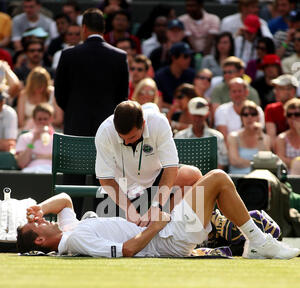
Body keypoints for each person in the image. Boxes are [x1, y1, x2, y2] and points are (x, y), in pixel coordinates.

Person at [17, 180, 300, 260]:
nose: (44, 219)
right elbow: (126, 251)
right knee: (216, 180)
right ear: (41, 240)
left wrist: (39, 208)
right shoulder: (76, 239)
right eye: (38, 224)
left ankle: (255, 242)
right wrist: (155, 226)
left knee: (195, 178)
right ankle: (260, 242)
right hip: (168, 238)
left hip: (166, 231)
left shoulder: (69, 231)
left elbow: (65, 199)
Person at [95, 100, 202, 227]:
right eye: (122, 137)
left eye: (131, 137)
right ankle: (157, 227)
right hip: (123, 189)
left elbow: (171, 168)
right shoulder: (105, 131)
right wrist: (129, 210)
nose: (126, 142)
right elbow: (106, 179)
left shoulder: (159, 122)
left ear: (144, 124)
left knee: (192, 175)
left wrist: (157, 206)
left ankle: (170, 227)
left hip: (155, 181)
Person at [55, 8, 129, 136]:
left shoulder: (68, 54)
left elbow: (60, 93)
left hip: (76, 124)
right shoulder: (119, 56)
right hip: (108, 126)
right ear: (103, 29)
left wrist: (74, 109)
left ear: (84, 28)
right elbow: (122, 96)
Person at [174, 97, 229, 169]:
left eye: (200, 116)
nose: (197, 119)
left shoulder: (217, 136)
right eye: (195, 115)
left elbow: (223, 162)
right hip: (186, 178)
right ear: (189, 113)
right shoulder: (179, 137)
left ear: (206, 114)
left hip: (212, 178)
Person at [214, 77, 264, 145]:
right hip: (229, 152)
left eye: (240, 91)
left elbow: (259, 135)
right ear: (230, 93)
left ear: (247, 92)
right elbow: (224, 139)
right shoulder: (221, 110)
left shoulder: (257, 110)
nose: (237, 94)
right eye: (234, 91)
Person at [227, 100, 271, 174]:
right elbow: (234, 161)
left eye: (253, 114)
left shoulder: (265, 138)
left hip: (258, 178)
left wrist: (260, 135)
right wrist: (257, 164)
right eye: (245, 114)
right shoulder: (233, 136)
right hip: (237, 177)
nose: (249, 117)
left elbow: (266, 160)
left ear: (258, 117)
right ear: (241, 118)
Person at [15, 103, 54, 173]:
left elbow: (61, 160)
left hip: (51, 172)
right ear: (34, 120)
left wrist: (34, 157)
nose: (42, 122)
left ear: (51, 119)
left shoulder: (58, 138)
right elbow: (21, 163)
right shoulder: (24, 137)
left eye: (45, 119)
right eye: (39, 119)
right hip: (31, 172)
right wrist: (33, 140)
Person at [155, 42, 195, 108]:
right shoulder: (160, 76)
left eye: (190, 56)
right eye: (185, 56)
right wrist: (174, 108)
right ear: (174, 57)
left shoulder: (191, 74)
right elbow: (156, 99)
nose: (189, 59)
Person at [265, 73, 298, 147]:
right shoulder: (271, 109)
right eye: (275, 88)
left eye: (280, 88)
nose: (276, 91)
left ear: (292, 91)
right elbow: (271, 138)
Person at [275, 97, 300, 171]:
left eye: (297, 114)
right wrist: (296, 164)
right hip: (288, 178)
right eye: (289, 115)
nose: (293, 117)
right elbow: (280, 159)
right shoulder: (282, 138)